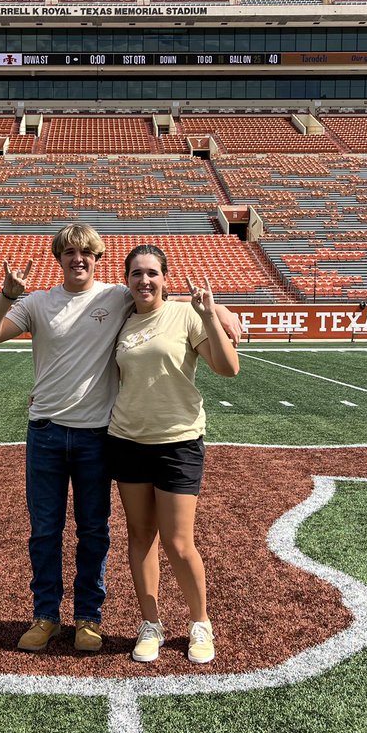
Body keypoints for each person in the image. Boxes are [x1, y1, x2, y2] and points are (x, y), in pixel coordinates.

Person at [0, 223, 240, 655]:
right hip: (47, 431)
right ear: (58, 258)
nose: (78, 258)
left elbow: (163, 294)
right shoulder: (39, 302)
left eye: (87, 252)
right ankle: (45, 616)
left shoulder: (115, 296)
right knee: (45, 530)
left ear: (97, 259)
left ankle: (88, 618)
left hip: (99, 435)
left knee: (95, 531)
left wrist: (220, 311)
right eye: (70, 252)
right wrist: (6, 295)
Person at [106, 244, 239, 665]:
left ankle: (199, 622)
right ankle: (151, 624)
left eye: (152, 273)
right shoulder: (121, 318)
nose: (144, 281)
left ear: (165, 277)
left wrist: (213, 315)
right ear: (126, 280)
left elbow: (228, 367)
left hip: (178, 440)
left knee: (180, 542)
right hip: (127, 439)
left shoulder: (186, 314)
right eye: (136, 274)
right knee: (140, 536)